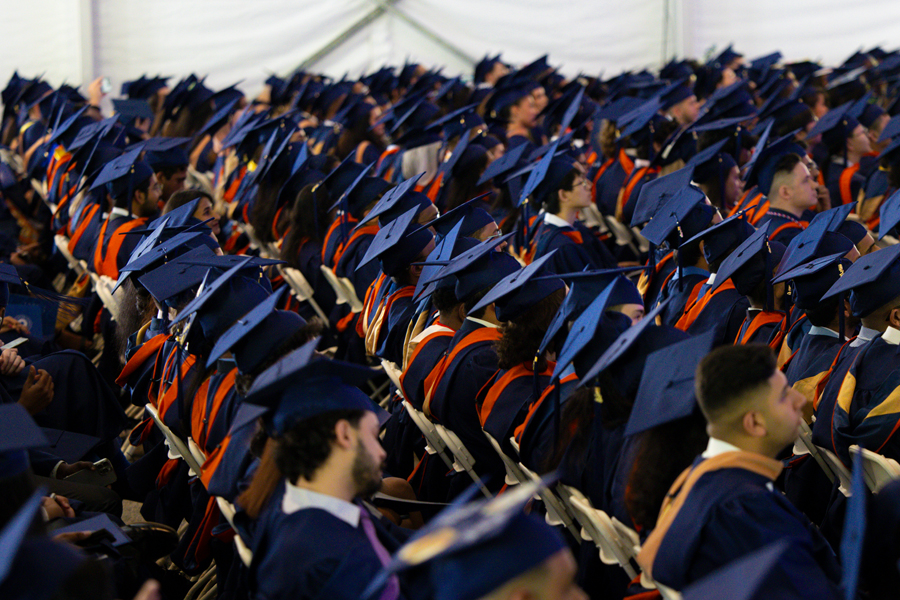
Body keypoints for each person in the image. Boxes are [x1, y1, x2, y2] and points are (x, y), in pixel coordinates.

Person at [636, 344, 841, 592]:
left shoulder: (696, 479)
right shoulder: (746, 511)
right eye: (784, 395)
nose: (800, 400)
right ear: (754, 422)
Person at [236, 341, 413, 600]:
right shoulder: (336, 560)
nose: (382, 453)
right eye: (374, 437)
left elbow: (395, 540)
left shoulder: (307, 503)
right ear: (343, 435)